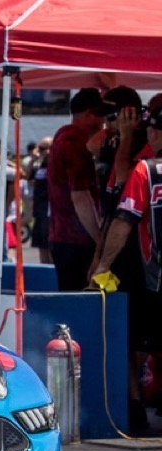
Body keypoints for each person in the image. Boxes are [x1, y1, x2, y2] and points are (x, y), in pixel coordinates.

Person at [90, 105, 162, 434]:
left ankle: (135, 411)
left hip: (152, 277)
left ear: (154, 133)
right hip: (148, 275)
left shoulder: (147, 169)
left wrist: (102, 265)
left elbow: (125, 218)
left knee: (131, 338)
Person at [47, 87, 114, 290]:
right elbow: (80, 196)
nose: (104, 121)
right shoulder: (75, 141)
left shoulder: (63, 134)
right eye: (100, 115)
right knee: (81, 297)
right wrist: (100, 240)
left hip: (63, 237)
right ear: (88, 115)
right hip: (76, 241)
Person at [26, 136, 52, 263]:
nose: (46, 152)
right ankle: (44, 268)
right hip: (40, 210)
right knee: (41, 245)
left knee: (51, 245)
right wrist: (33, 158)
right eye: (42, 148)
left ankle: (52, 270)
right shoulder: (38, 165)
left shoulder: (57, 164)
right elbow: (27, 177)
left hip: (52, 211)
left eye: (49, 148)